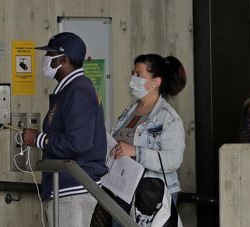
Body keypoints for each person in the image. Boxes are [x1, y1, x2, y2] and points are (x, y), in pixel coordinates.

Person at [21, 32, 108, 227]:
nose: (45, 59)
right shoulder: (69, 89)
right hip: (64, 187)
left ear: (63, 59)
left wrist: (38, 139)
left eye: (50, 54)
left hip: (74, 189)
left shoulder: (78, 91)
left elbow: (78, 142)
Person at [111, 54, 187, 205]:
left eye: (139, 75)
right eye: (133, 74)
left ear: (156, 82)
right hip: (123, 189)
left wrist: (135, 151)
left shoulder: (169, 117)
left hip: (153, 194)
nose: (133, 79)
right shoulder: (129, 111)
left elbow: (173, 159)